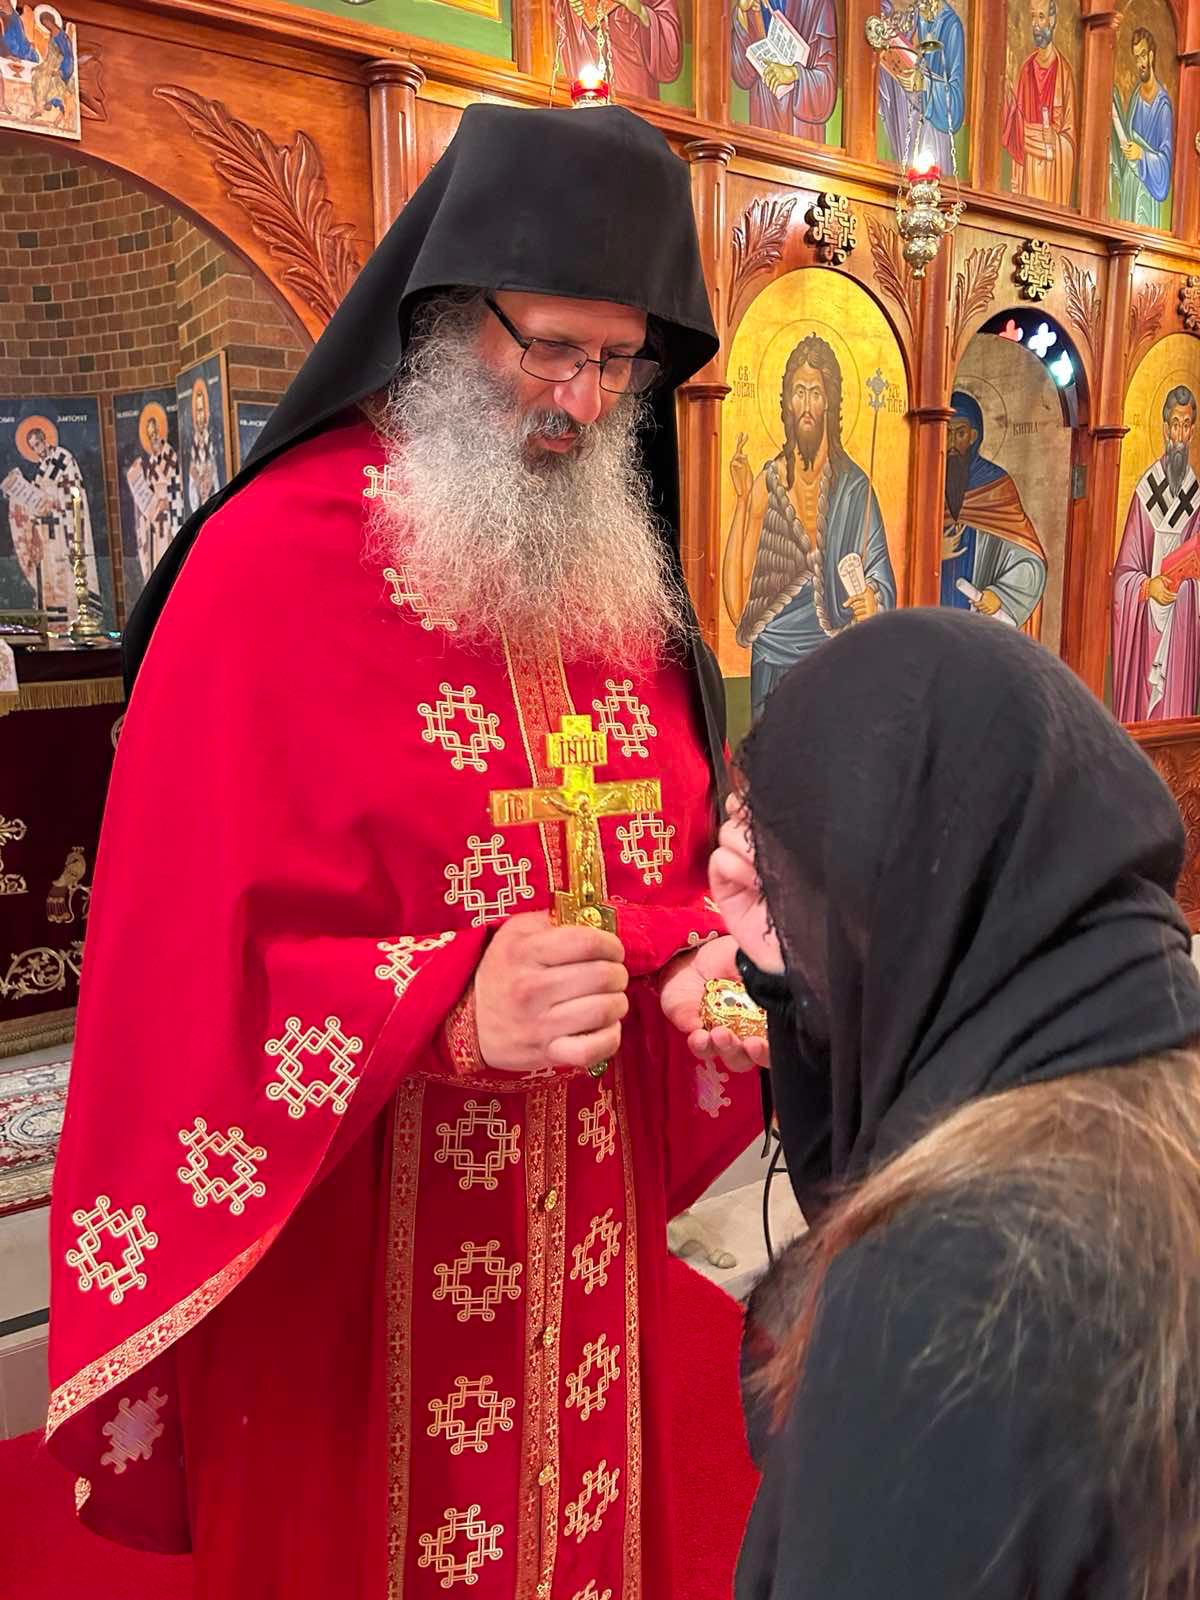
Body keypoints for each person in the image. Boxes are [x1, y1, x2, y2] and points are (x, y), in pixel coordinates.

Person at [47, 102, 762, 1600]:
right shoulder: (267, 567)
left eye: (620, 363)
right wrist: (443, 1004)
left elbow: (667, 857)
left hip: (591, 1219)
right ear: (444, 314)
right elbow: (184, 960)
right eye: (548, 347)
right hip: (356, 1233)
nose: (581, 402)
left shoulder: (612, 576)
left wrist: (697, 955)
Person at [700, 608, 1200, 1600]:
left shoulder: (938, 1296)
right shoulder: (1147, 1085)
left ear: (899, 900)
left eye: (795, 885)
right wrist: (788, 968)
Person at [723, 333, 895, 715]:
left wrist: (873, 599)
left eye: (815, 393)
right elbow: (737, 602)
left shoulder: (854, 489)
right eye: (798, 392)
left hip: (832, 659)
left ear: (830, 402)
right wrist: (742, 502)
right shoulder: (768, 483)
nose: (806, 405)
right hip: (771, 660)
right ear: (786, 402)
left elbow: (880, 574)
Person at [1113, 385, 1200, 722]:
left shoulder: (1196, 496)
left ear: (1192, 431)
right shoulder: (1145, 492)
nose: (1179, 434)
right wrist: (1148, 587)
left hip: (1181, 623)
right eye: (1175, 424)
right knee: (1144, 711)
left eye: (1186, 425)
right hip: (1147, 622)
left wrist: (1187, 588)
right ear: (1164, 428)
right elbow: (1123, 573)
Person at [940, 390, 1047, 635]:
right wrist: (934, 552)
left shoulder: (997, 486)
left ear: (974, 436)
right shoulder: (927, 482)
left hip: (976, 623)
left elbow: (1031, 562)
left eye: (960, 433)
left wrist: (1000, 595)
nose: (952, 443)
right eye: (946, 433)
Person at [1, 415, 99, 628]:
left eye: (38, 444)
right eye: (33, 447)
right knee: (51, 583)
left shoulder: (63, 459)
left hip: (64, 529)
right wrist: (17, 495)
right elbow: (35, 500)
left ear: (45, 439)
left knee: (67, 579)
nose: (38, 450)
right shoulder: (41, 470)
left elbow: (74, 491)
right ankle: (56, 626)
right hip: (48, 535)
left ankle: (74, 621)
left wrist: (56, 502)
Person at [1001, 0, 1077, 205]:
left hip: (1052, 170)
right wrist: (1008, 101)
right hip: (1027, 168)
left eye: (1041, 17)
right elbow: (1015, 127)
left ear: (1052, 20)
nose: (1035, 24)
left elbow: (1070, 137)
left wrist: (1056, 138)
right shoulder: (1026, 69)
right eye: (1033, 16)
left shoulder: (1064, 74)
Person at [876, 0, 965, 174]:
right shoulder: (909, 15)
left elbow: (955, 108)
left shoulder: (950, 26)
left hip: (933, 138)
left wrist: (923, 83)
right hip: (904, 132)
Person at [731, 0, 838, 142]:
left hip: (801, 132)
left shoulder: (818, 3)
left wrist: (794, 73)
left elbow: (826, 89)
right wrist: (742, 13)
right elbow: (743, 75)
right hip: (763, 120)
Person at [1111, 26, 1174, 229]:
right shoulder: (1136, 95)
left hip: (1147, 192)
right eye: (1137, 57)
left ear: (1152, 56)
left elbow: (1165, 164)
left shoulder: (1163, 106)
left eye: (1143, 55)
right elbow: (1128, 139)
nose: (1140, 63)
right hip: (1130, 186)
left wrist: (1141, 154)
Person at [557, 0, 683, 101]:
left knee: (631, 116)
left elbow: (669, 40)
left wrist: (641, 11)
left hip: (632, 67)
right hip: (587, 47)